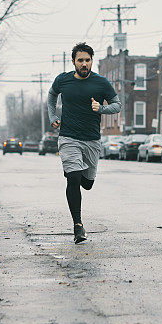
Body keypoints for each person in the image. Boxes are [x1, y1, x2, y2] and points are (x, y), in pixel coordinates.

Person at [47, 42, 121, 243]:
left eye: (87, 60)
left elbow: (117, 105)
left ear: (91, 61)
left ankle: (76, 172)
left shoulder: (101, 83)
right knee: (73, 178)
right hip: (69, 137)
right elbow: (52, 95)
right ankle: (78, 226)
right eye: (80, 60)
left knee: (86, 184)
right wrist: (52, 115)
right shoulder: (63, 80)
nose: (84, 64)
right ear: (73, 62)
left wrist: (102, 109)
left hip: (91, 140)